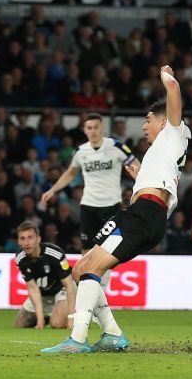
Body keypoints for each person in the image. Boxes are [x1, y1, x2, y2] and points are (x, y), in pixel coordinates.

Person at [42, 66, 188, 353]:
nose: (144, 126)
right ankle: (111, 333)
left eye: (147, 120)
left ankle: (78, 339)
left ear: (161, 122)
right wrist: (141, 179)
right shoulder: (162, 154)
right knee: (81, 269)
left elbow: (173, 92)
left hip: (145, 213)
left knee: (90, 268)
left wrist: (165, 76)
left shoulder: (173, 132)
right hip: (142, 213)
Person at [41, 113, 139, 289]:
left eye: (96, 127)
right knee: (87, 251)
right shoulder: (81, 152)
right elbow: (71, 173)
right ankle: (88, 289)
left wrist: (142, 185)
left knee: (108, 250)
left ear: (102, 128)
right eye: (89, 128)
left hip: (111, 207)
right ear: (85, 130)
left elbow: (134, 166)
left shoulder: (116, 147)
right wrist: (53, 190)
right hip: (88, 207)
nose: (93, 131)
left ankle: (100, 291)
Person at [13, 222, 77, 330]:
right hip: (42, 293)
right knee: (20, 323)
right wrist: (40, 319)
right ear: (18, 241)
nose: (26, 242)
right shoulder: (20, 258)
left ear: (38, 239)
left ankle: (75, 316)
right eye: (22, 238)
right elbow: (33, 288)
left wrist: (71, 318)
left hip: (61, 290)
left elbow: (69, 285)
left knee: (57, 324)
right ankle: (51, 316)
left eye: (30, 238)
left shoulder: (54, 253)